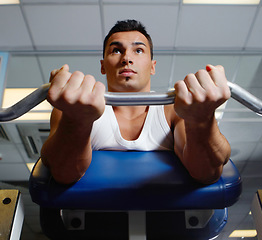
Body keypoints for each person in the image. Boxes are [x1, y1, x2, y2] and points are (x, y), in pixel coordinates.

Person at [41, 19, 231, 185]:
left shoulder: (173, 109)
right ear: (103, 66)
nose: (126, 58)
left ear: (152, 66)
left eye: (138, 50)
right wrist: (76, 121)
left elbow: (206, 173)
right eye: (116, 50)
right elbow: (63, 174)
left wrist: (201, 120)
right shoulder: (75, 108)